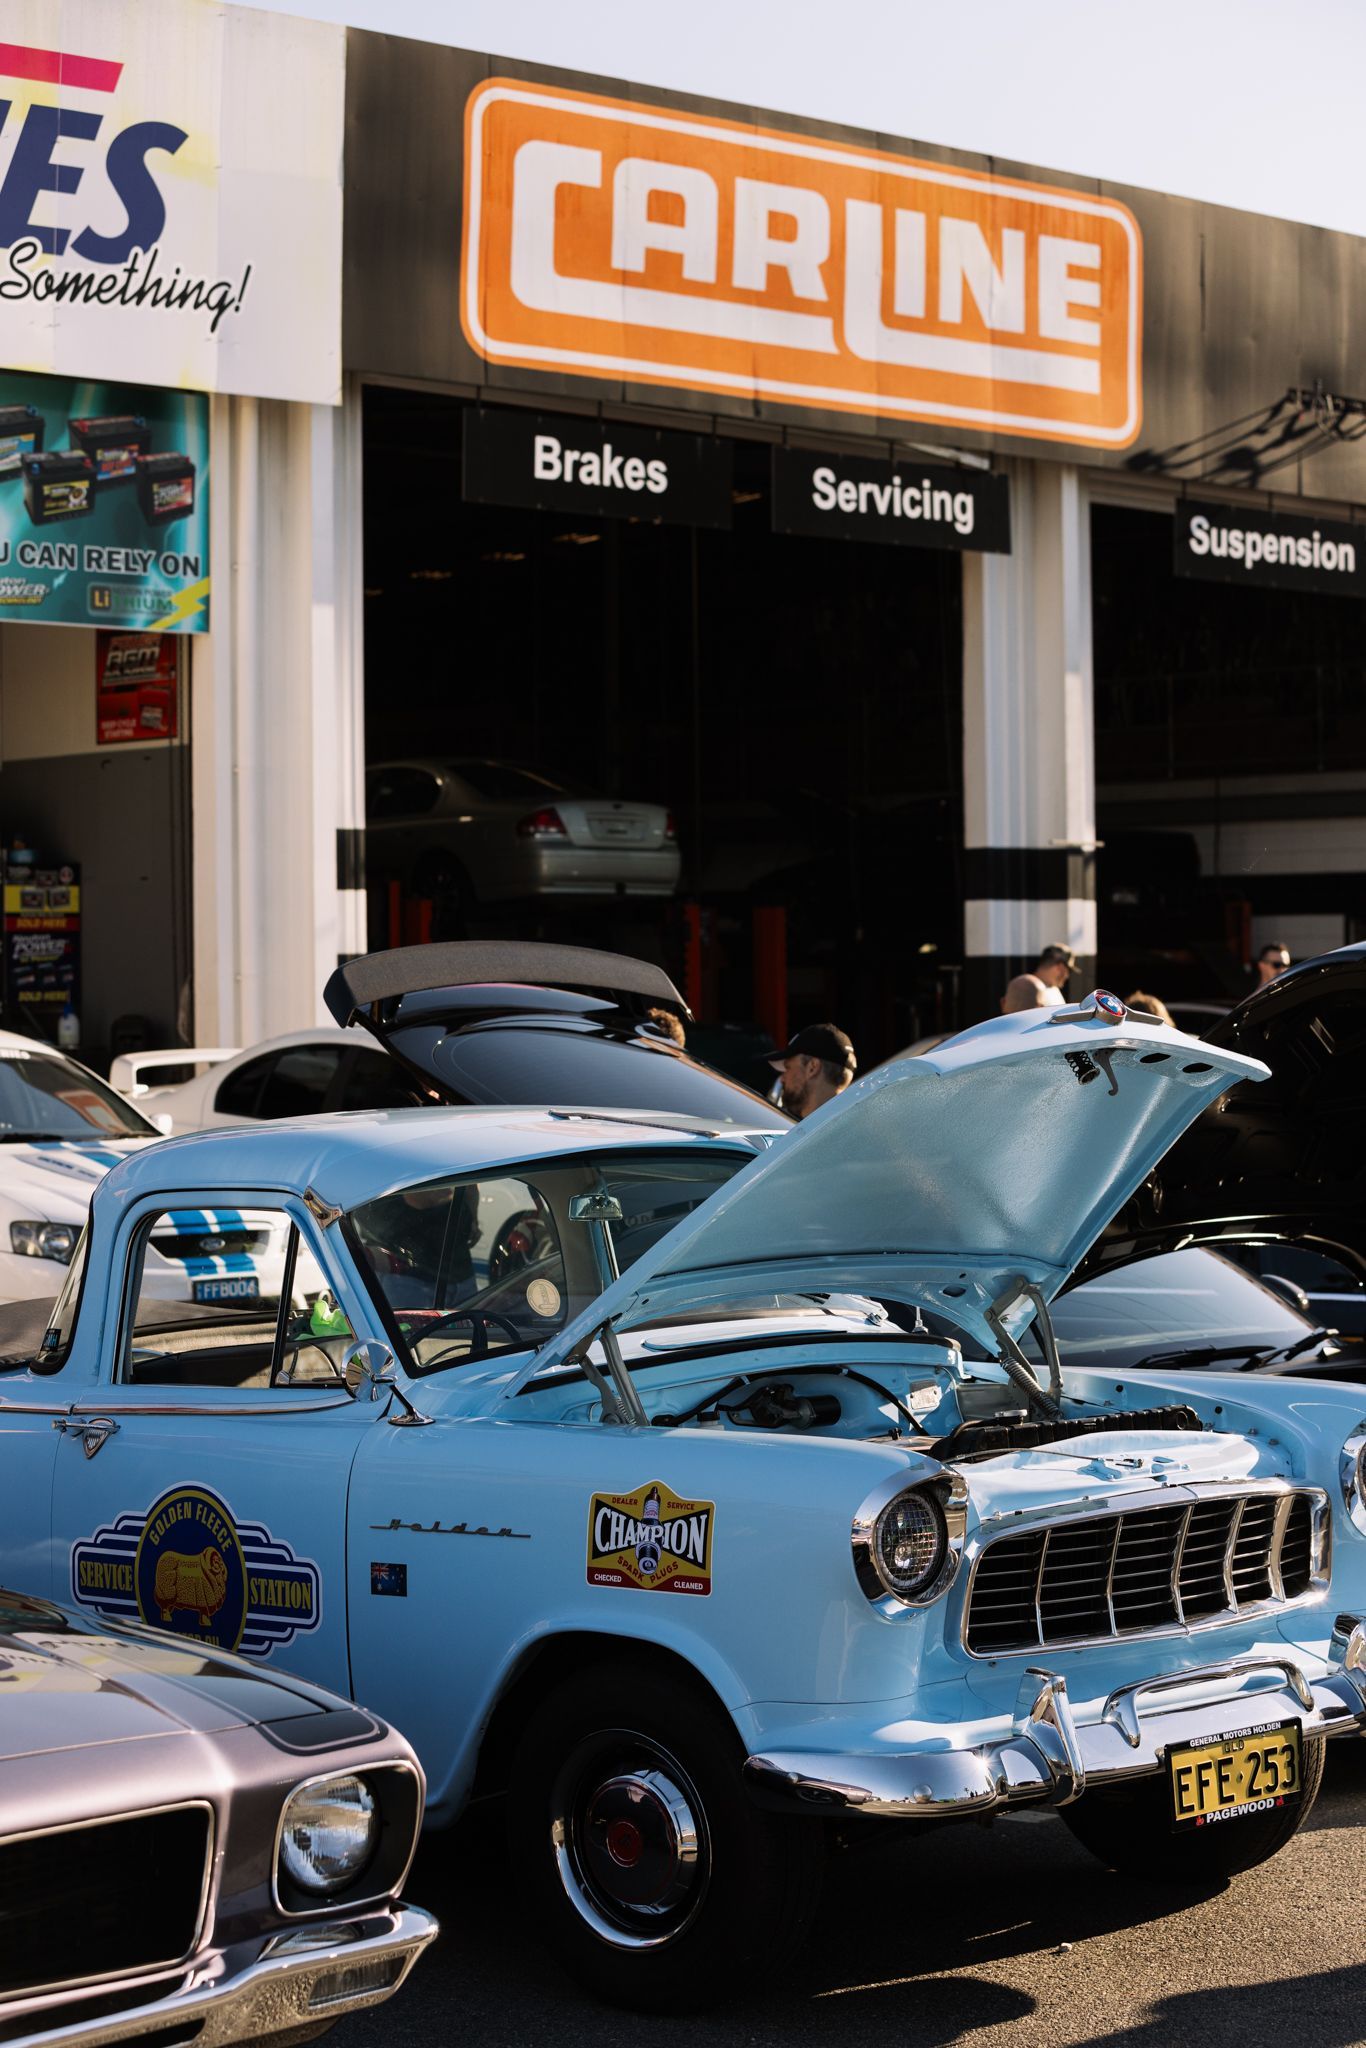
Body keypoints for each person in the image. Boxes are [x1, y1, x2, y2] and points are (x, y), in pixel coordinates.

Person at [766, 1023, 856, 1120]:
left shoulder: (788, 1130)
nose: (782, 1079)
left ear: (812, 1068)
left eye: (788, 1067)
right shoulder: (860, 1127)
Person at [1000, 944, 1077, 1014]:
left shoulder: (1053, 988)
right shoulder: (1026, 985)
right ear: (1060, 968)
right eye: (1069, 971)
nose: (1067, 976)